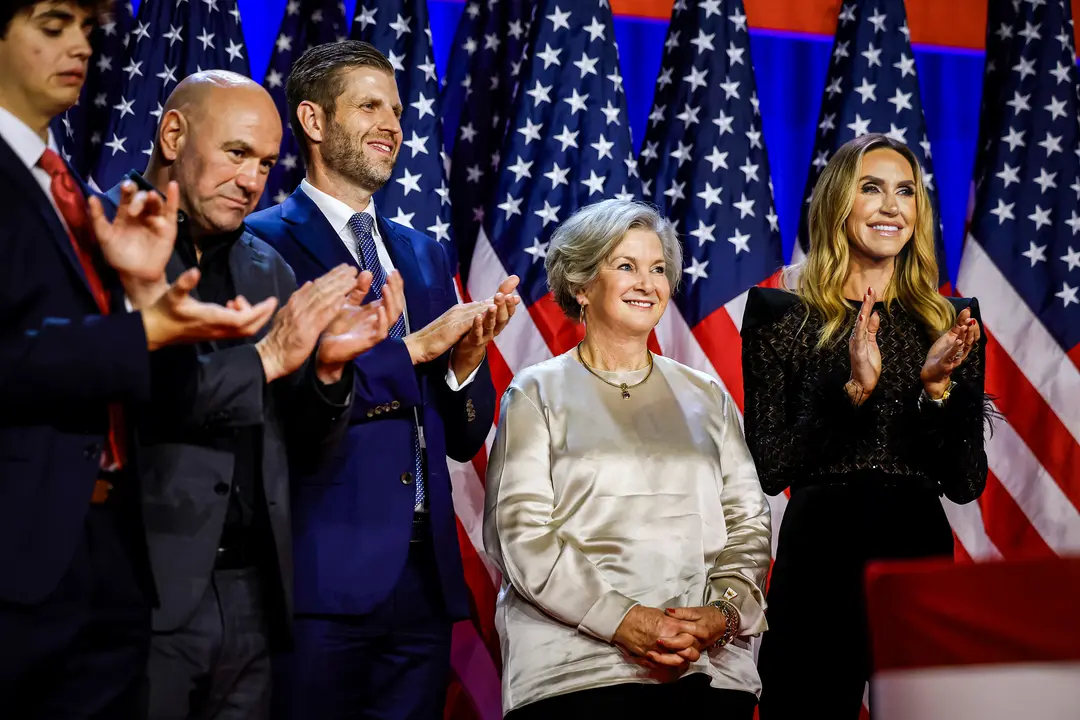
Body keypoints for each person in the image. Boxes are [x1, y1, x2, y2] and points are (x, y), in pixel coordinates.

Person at [100, 70, 405, 720]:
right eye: (237, 153)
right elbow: (145, 399)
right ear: (173, 132)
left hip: (253, 596)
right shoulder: (104, 240)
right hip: (134, 589)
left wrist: (326, 372)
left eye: (266, 163)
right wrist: (268, 357)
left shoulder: (268, 267)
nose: (252, 180)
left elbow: (304, 446)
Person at [0, 3, 276, 718]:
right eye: (55, 25)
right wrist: (143, 328)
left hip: (103, 562)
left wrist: (141, 305)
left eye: (88, 31)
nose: (81, 47)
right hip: (26, 558)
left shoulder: (67, 194)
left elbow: (131, 380)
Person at [245, 41, 519, 719]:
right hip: (317, 576)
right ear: (313, 120)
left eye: (395, 109)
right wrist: (418, 347)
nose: (393, 124)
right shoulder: (262, 242)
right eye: (369, 105)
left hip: (422, 581)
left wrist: (463, 367)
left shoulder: (423, 252)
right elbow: (280, 398)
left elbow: (459, 439)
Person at [483, 199, 771, 720]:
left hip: (707, 668)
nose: (648, 282)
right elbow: (520, 535)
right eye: (626, 266)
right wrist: (623, 620)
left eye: (658, 268)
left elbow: (748, 523)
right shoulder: (535, 393)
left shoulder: (706, 394)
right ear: (580, 284)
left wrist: (721, 615)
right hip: (576, 674)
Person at [742, 134, 989, 719]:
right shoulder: (780, 314)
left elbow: (965, 481)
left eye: (905, 191)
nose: (891, 206)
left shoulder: (950, 322)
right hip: (819, 553)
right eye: (871, 188)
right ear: (837, 203)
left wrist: (936, 389)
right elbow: (771, 466)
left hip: (916, 553)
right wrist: (851, 390)